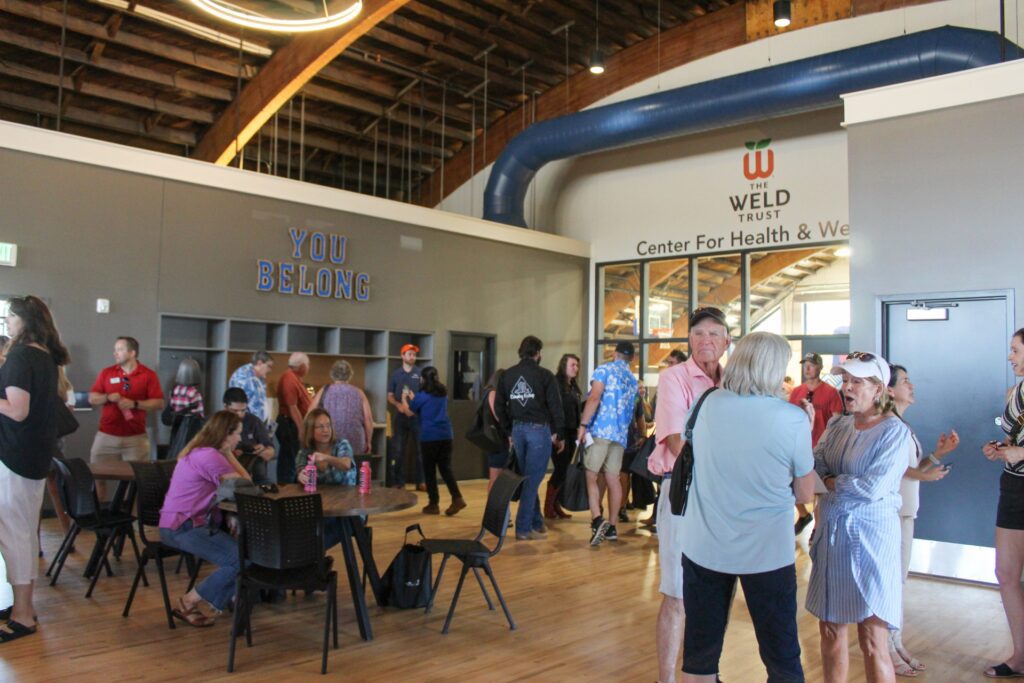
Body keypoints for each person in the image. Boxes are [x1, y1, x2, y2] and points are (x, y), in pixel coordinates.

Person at [679, 332, 816, 682]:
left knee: (700, 657)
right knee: (782, 659)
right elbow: (804, 493)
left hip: (704, 546)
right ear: (773, 369)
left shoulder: (706, 403)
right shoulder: (792, 418)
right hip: (767, 552)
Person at [806, 352, 911, 683]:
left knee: (873, 637)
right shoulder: (838, 424)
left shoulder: (895, 432)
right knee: (831, 630)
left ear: (878, 388)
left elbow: (873, 487)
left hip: (871, 539)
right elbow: (816, 464)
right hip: (833, 535)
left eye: (857, 382)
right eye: (845, 381)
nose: (848, 388)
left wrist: (835, 481)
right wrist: (830, 480)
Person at [649, 307, 731, 683]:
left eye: (715, 333)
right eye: (699, 334)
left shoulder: (733, 382)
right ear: (690, 341)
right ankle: (666, 679)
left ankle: (704, 673)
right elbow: (676, 440)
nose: (706, 340)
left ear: (727, 341)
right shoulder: (674, 378)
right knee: (678, 593)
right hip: (684, 491)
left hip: (724, 498)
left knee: (718, 594)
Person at [0, 296, 69, 643]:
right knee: (20, 532)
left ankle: (23, 615)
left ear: (23, 321)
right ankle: (20, 607)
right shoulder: (45, 356)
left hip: (16, 456)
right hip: (32, 456)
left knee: (16, 534)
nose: (7, 323)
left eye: (10, 317)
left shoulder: (21, 356)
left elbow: (16, 410)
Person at [886, 363, 958, 677]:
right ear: (889, 390)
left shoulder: (902, 425)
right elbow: (896, 471)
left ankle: (895, 642)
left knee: (898, 583)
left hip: (905, 513)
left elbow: (913, 467)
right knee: (891, 585)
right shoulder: (888, 425)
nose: (911, 386)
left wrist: (937, 455)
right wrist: (926, 475)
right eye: (905, 381)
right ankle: (887, 648)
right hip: (893, 514)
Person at [160, 411, 250, 627]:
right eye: (237, 433)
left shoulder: (199, 451)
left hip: (180, 523)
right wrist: (228, 454)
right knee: (241, 559)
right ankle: (189, 601)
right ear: (225, 435)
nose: (240, 438)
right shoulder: (210, 456)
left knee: (244, 556)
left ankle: (227, 598)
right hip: (184, 527)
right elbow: (246, 483)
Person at [981, 328, 1024, 679]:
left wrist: (1019, 452)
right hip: (1013, 488)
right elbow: (1013, 436)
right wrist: (1000, 448)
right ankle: (1020, 655)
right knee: (1006, 574)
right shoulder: (1016, 392)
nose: (1010, 357)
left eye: (1015, 350)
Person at [495, 335, 564, 542]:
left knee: (527, 476)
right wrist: (558, 433)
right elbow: (555, 406)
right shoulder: (545, 375)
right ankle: (523, 528)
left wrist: (508, 430)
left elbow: (499, 406)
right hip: (538, 431)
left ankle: (536, 521)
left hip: (517, 430)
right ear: (538, 353)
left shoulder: (507, 375)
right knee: (532, 481)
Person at [88, 336, 164, 498]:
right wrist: (107, 397)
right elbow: (92, 398)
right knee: (96, 476)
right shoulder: (107, 373)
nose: (115, 353)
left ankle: (129, 517)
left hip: (136, 439)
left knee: (137, 481)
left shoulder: (148, 375)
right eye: (115, 349)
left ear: (132, 353)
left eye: (120, 349)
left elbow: (159, 403)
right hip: (106, 436)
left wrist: (135, 404)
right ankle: (100, 516)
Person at [578, 341, 638, 547]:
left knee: (591, 474)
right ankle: (612, 526)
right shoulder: (632, 379)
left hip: (601, 430)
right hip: (620, 434)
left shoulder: (604, 370)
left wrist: (583, 424)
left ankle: (596, 519)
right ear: (631, 358)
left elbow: (594, 398)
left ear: (615, 353)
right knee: (613, 478)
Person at [789, 352, 845, 534]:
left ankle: (818, 527)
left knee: (819, 489)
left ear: (819, 367)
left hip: (820, 448)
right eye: (805, 364)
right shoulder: (797, 392)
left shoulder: (830, 393)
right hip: (798, 446)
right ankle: (804, 515)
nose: (807, 368)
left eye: (811, 365)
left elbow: (837, 420)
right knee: (792, 484)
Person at [404, 367, 465, 516]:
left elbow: (409, 412)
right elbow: (428, 407)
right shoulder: (442, 393)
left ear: (423, 380)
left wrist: (404, 399)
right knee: (446, 469)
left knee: (429, 471)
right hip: (446, 435)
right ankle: (457, 498)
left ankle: (433, 504)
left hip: (430, 437)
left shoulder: (421, 395)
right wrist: (414, 399)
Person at [296, 409, 356, 551]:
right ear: (310, 430)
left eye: (328, 425)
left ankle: (312, 563)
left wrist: (326, 458)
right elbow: (300, 469)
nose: (326, 430)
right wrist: (300, 475)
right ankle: (312, 564)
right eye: (320, 426)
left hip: (348, 511)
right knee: (297, 528)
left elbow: (346, 464)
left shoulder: (342, 444)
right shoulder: (305, 451)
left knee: (315, 539)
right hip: (322, 510)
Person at [311, 359, 373, 455]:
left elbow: (310, 413)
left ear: (332, 374)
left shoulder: (324, 390)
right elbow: (368, 419)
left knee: (330, 467)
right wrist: (368, 441)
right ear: (350, 374)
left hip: (329, 439)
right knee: (353, 467)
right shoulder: (359, 392)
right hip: (355, 442)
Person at [545, 354, 581, 520]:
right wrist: (555, 433)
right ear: (563, 366)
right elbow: (552, 409)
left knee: (564, 470)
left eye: (577, 365)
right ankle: (549, 506)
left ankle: (555, 505)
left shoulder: (572, 386)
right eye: (572, 365)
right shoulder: (556, 384)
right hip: (560, 432)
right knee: (560, 469)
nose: (576, 368)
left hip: (572, 431)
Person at [387, 343, 425, 490]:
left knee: (421, 449)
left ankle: (421, 481)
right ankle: (399, 482)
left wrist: (415, 406)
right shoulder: (396, 374)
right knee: (399, 449)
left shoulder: (420, 373)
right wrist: (398, 405)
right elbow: (390, 395)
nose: (412, 357)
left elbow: (425, 395)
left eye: (414, 354)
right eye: (409, 354)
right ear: (402, 356)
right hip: (401, 417)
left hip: (417, 417)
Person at [222, 387, 275, 484]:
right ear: (225, 407)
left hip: (257, 476)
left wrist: (262, 451)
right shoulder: (217, 423)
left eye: (243, 410)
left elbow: (270, 452)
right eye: (235, 411)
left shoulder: (254, 421)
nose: (240, 415)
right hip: (226, 475)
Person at [276, 352, 311, 486]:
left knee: (293, 460)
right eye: (308, 365)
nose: (308, 368)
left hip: (292, 424)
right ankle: (287, 491)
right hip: (289, 425)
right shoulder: (289, 379)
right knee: (289, 462)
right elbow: (293, 408)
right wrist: (301, 430)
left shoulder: (293, 377)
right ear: (302, 366)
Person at [164, 358, 205, 460]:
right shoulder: (194, 393)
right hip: (190, 427)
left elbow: (172, 408)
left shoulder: (175, 390)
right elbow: (200, 415)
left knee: (175, 451)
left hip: (176, 425)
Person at [480, 368, 509, 492]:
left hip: (493, 438)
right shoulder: (493, 393)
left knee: (496, 476)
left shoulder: (487, 392)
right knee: (496, 476)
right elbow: (498, 416)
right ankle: (494, 508)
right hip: (497, 439)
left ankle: (496, 508)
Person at [227, 350, 274, 425]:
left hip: (259, 423)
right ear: (259, 363)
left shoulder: (260, 377)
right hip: (247, 424)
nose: (270, 370)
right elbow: (239, 405)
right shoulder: (242, 377)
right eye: (269, 366)